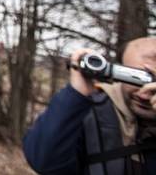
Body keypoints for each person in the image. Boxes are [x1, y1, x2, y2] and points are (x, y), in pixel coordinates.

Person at [23, 38, 156, 174]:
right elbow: (45, 162)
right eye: (136, 77)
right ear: (119, 71)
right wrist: (75, 94)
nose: (144, 94)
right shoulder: (88, 111)